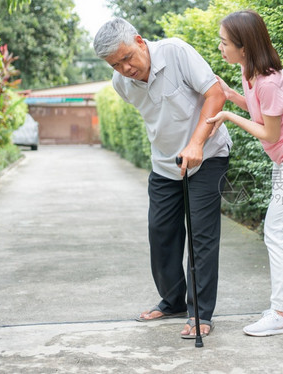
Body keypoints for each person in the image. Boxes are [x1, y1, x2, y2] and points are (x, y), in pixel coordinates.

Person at [93, 18, 232, 338]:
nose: (125, 68)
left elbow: (215, 95)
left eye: (127, 57)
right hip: (165, 164)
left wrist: (196, 142)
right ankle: (172, 302)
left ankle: (200, 313)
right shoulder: (121, 83)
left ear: (140, 41)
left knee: (201, 234)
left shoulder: (176, 52)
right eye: (115, 64)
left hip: (208, 154)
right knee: (161, 232)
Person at [207, 10, 283, 337]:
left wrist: (229, 114)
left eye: (224, 42)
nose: (220, 47)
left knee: (276, 230)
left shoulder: (270, 80)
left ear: (244, 47)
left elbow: (269, 133)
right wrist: (233, 96)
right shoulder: (249, 70)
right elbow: (258, 109)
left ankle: (281, 313)